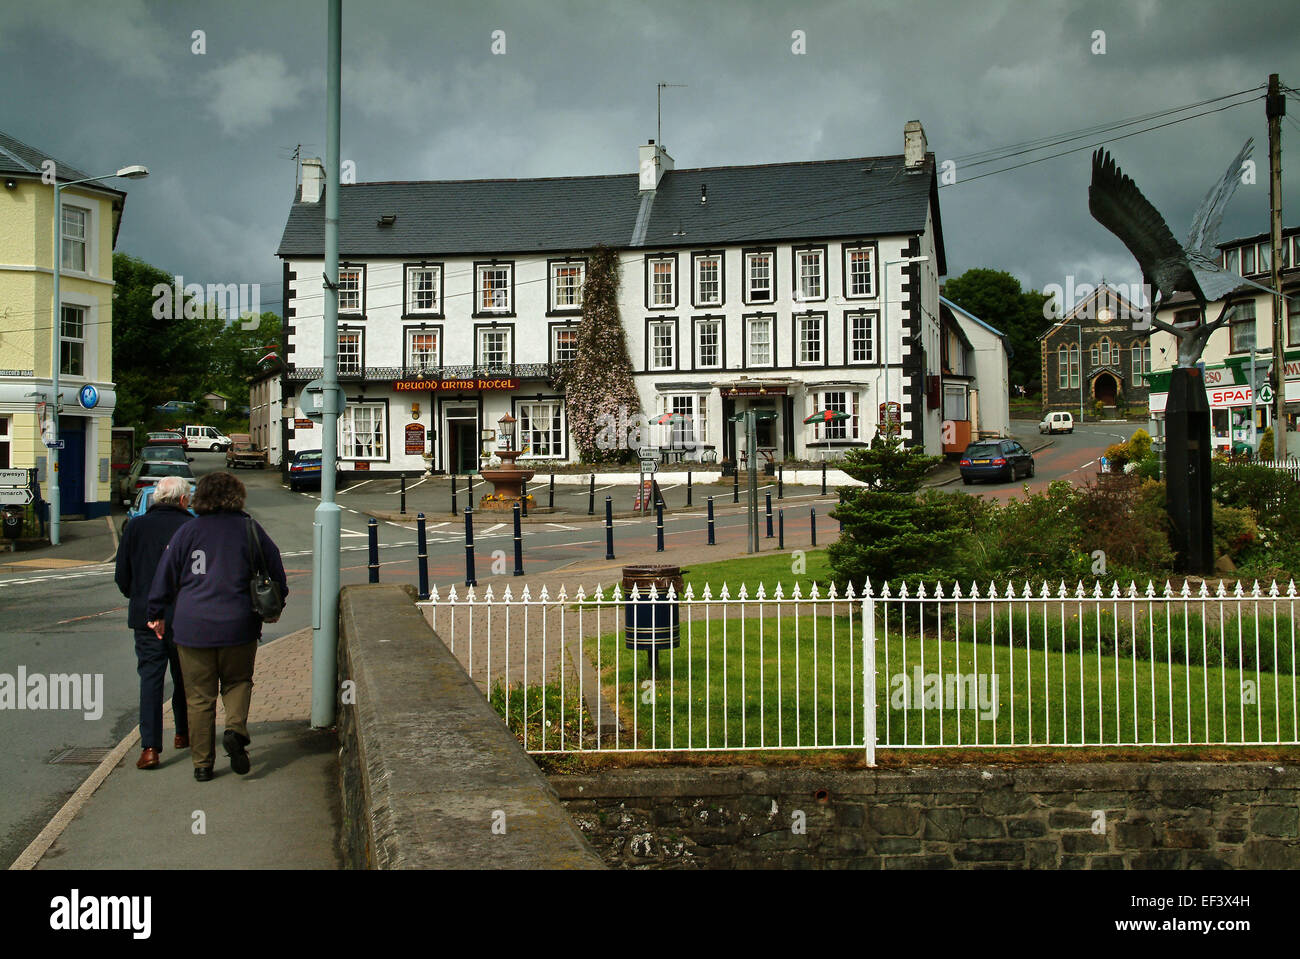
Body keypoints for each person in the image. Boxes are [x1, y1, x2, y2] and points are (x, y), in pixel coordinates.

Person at [147, 471, 287, 782]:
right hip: (239, 623)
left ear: (200, 499)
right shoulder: (250, 529)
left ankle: (202, 764)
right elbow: (274, 567)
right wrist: (277, 605)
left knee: (198, 696)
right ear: (237, 496)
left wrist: (156, 611)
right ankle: (235, 729)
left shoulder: (187, 531)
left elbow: (165, 575)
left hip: (192, 626)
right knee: (238, 682)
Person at [114, 476, 193, 770]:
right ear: (184, 500)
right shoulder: (189, 528)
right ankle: (183, 733)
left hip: (147, 617)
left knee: (150, 679)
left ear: (157, 498)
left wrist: (138, 598)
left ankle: (149, 748)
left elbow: (122, 574)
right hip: (184, 616)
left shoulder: (135, 527)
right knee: (185, 675)